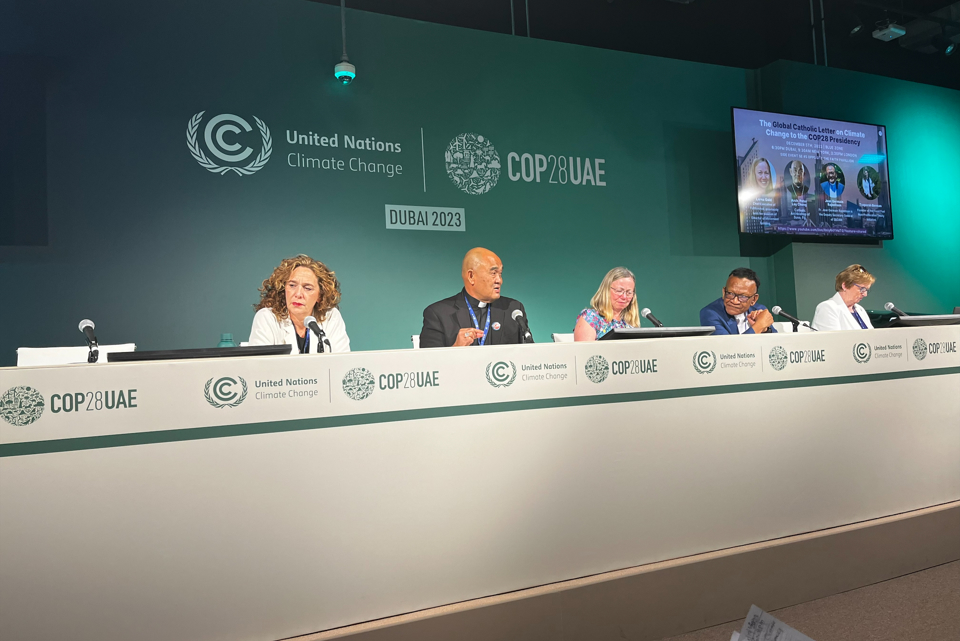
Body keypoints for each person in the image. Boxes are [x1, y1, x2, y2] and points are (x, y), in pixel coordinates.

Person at [419, 247, 532, 347]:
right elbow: (428, 364)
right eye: (493, 273)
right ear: (471, 276)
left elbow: (529, 354)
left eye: (500, 274)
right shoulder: (438, 314)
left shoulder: (513, 309)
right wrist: (455, 348)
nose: (499, 280)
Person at [248, 254, 350, 353]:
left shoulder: (331, 317)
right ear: (284, 289)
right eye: (292, 285)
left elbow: (343, 362)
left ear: (320, 296)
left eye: (307, 288)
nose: (298, 294)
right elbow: (259, 366)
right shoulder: (267, 317)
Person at [700, 267, 776, 335]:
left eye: (743, 297)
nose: (735, 301)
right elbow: (728, 347)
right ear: (723, 292)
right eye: (730, 293)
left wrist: (765, 330)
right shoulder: (710, 313)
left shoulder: (759, 309)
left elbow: (776, 342)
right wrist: (759, 326)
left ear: (754, 299)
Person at [573, 267, 641, 341]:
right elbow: (585, 351)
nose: (624, 297)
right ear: (606, 290)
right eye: (619, 291)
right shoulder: (590, 318)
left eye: (629, 292)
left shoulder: (629, 323)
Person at [812, 264, 875, 331]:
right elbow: (832, 339)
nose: (865, 294)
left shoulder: (860, 309)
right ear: (845, 286)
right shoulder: (827, 308)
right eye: (862, 289)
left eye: (866, 290)